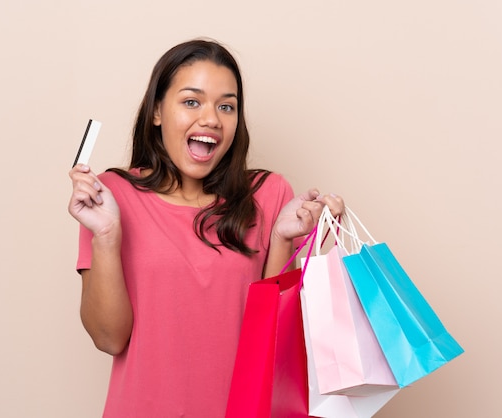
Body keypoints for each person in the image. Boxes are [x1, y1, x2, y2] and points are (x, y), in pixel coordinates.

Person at [68, 39, 344, 417]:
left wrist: (281, 239)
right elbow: (108, 338)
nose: (212, 118)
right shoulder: (111, 196)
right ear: (157, 112)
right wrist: (105, 235)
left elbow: (275, 344)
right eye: (192, 101)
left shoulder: (269, 193)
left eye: (226, 106)